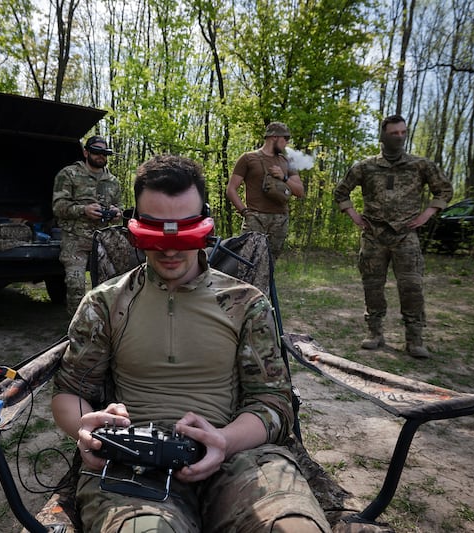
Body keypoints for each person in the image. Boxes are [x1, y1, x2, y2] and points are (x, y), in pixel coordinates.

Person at [51, 154, 330, 533]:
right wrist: (85, 425)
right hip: (134, 460)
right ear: (135, 226)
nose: (169, 250)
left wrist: (224, 441)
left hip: (241, 457)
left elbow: (273, 401)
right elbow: (70, 390)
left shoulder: (245, 303)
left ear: (205, 224)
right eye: (155, 234)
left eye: (184, 233)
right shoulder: (105, 302)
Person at [334, 115, 453, 359]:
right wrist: (354, 216)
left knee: (412, 287)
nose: (399, 137)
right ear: (383, 135)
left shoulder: (420, 165)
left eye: (403, 133)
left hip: (405, 236)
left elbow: (444, 189)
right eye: (393, 133)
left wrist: (428, 213)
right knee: (373, 286)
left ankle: (414, 338)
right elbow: (341, 191)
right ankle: (374, 333)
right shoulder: (366, 166)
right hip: (374, 235)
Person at [52, 135, 122, 315]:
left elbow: (119, 208)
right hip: (76, 239)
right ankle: (76, 329)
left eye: (104, 153)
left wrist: (116, 213)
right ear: (86, 152)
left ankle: (104, 325)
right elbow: (58, 207)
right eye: (96, 152)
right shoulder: (69, 174)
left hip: (103, 240)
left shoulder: (112, 181)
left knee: (109, 285)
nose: (101, 157)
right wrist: (84, 210)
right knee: (76, 286)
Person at [226, 121, 305, 258]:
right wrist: (245, 212)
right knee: (247, 261)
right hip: (255, 218)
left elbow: (299, 191)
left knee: (270, 263)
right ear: (274, 137)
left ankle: (267, 281)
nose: (286, 143)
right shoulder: (248, 158)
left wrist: (284, 177)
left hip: (280, 220)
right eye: (285, 139)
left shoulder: (287, 162)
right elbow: (231, 189)